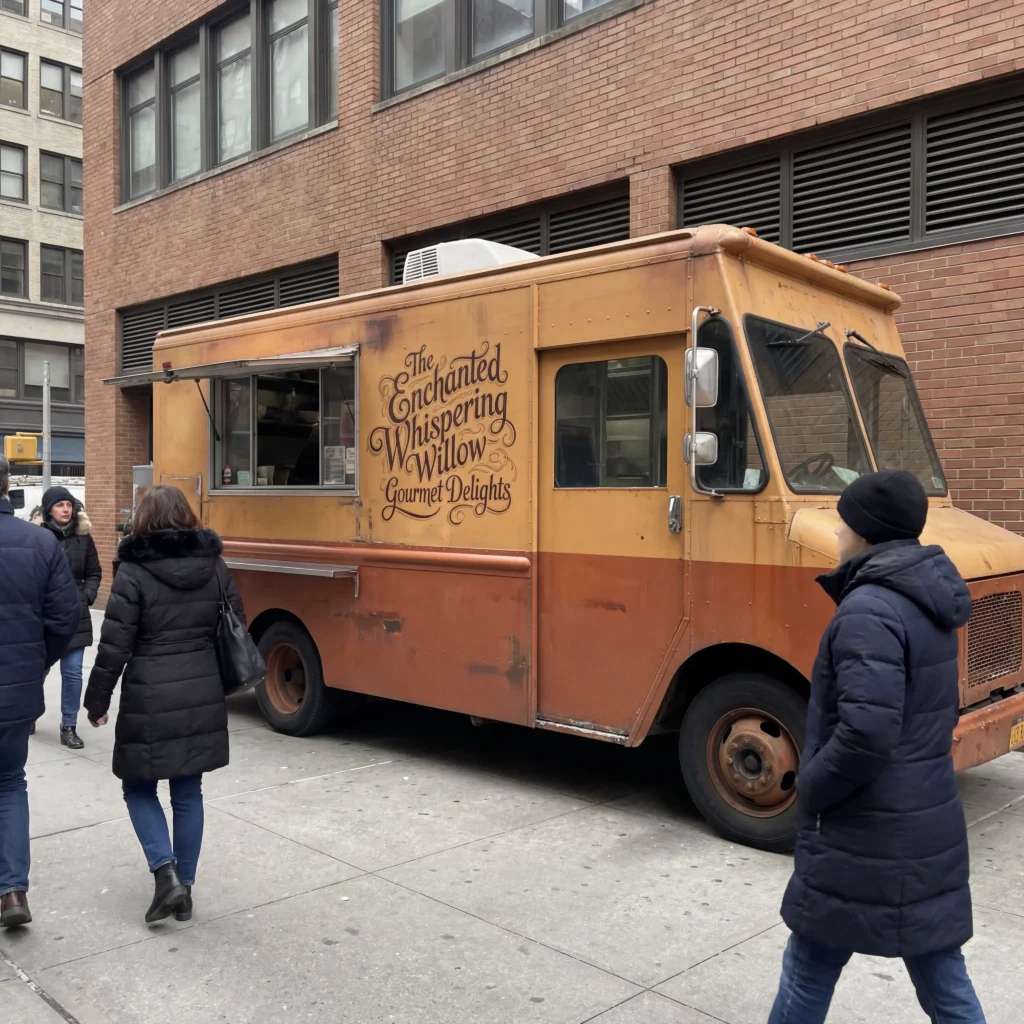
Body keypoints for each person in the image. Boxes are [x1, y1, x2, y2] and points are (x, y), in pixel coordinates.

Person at [769, 470, 984, 1023]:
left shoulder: (868, 609)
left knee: (810, 962)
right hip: (922, 822)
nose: (837, 531)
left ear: (865, 531)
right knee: (939, 968)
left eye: (844, 520)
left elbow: (868, 732)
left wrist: (812, 786)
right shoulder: (923, 599)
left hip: (866, 831)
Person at [83, 485, 245, 924]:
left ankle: (165, 873)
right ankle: (185, 889)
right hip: (201, 688)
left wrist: (96, 699)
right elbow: (235, 624)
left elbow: (115, 645)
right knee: (188, 790)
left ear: (143, 519)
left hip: (151, 692)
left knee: (137, 786)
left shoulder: (134, 570)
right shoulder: (214, 565)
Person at [0, 455, 80, 928]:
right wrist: (37, 663)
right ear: (8, 485)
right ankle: (12, 892)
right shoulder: (41, 543)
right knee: (9, 783)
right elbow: (64, 616)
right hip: (16, 690)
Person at [31, 486, 102, 749]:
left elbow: (94, 572)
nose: (66, 509)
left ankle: (69, 726)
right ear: (49, 509)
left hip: (76, 616)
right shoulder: (37, 537)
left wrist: (86, 597)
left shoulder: (84, 538)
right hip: (45, 617)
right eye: (60, 505)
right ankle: (30, 713)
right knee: (38, 670)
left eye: (69, 505)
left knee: (72, 674)